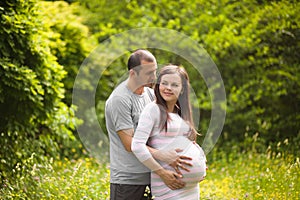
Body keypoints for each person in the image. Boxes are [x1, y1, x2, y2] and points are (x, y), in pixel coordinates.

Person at [105, 50, 191, 200]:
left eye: (155, 71)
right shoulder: (119, 100)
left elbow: (165, 134)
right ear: (133, 73)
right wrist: (163, 156)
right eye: (149, 73)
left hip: (152, 177)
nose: (154, 77)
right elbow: (129, 144)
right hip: (128, 181)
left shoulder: (150, 94)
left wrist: (194, 161)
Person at [132, 65, 207, 199]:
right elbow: (137, 145)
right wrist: (162, 173)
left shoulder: (181, 111)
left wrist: (201, 161)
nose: (168, 88)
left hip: (191, 190)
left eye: (174, 85)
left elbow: (190, 143)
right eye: (164, 83)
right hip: (168, 186)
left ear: (182, 88)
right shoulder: (153, 110)